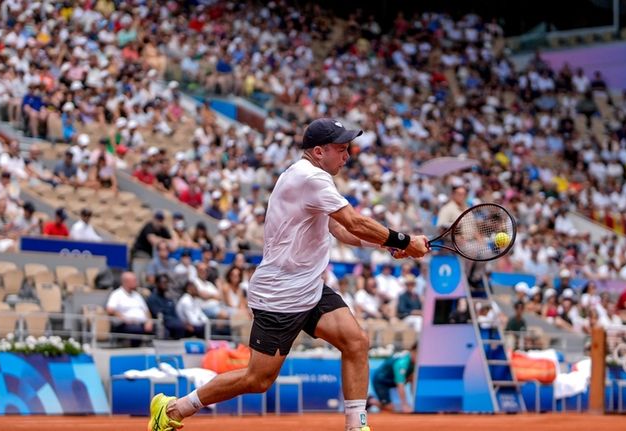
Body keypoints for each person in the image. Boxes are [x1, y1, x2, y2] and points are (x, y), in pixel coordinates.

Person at [149, 118, 429, 431]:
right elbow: (352, 221)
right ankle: (173, 408)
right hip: (279, 295)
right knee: (257, 379)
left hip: (310, 286)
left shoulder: (313, 177)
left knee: (356, 342)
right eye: (342, 149)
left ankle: (356, 426)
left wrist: (388, 247)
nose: (348, 155)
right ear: (319, 152)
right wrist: (403, 240)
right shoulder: (310, 178)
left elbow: (338, 228)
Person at [368, 343, 418, 413]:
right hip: (381, 381)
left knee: (412, 377)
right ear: (412, 351)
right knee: (390, 408)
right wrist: (405, 405)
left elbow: (413, 383)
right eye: (417, 354)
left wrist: (416, 404)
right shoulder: (402, 363)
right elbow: (400, 385)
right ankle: (370, 401)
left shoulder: (415, 364)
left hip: (392, 379)